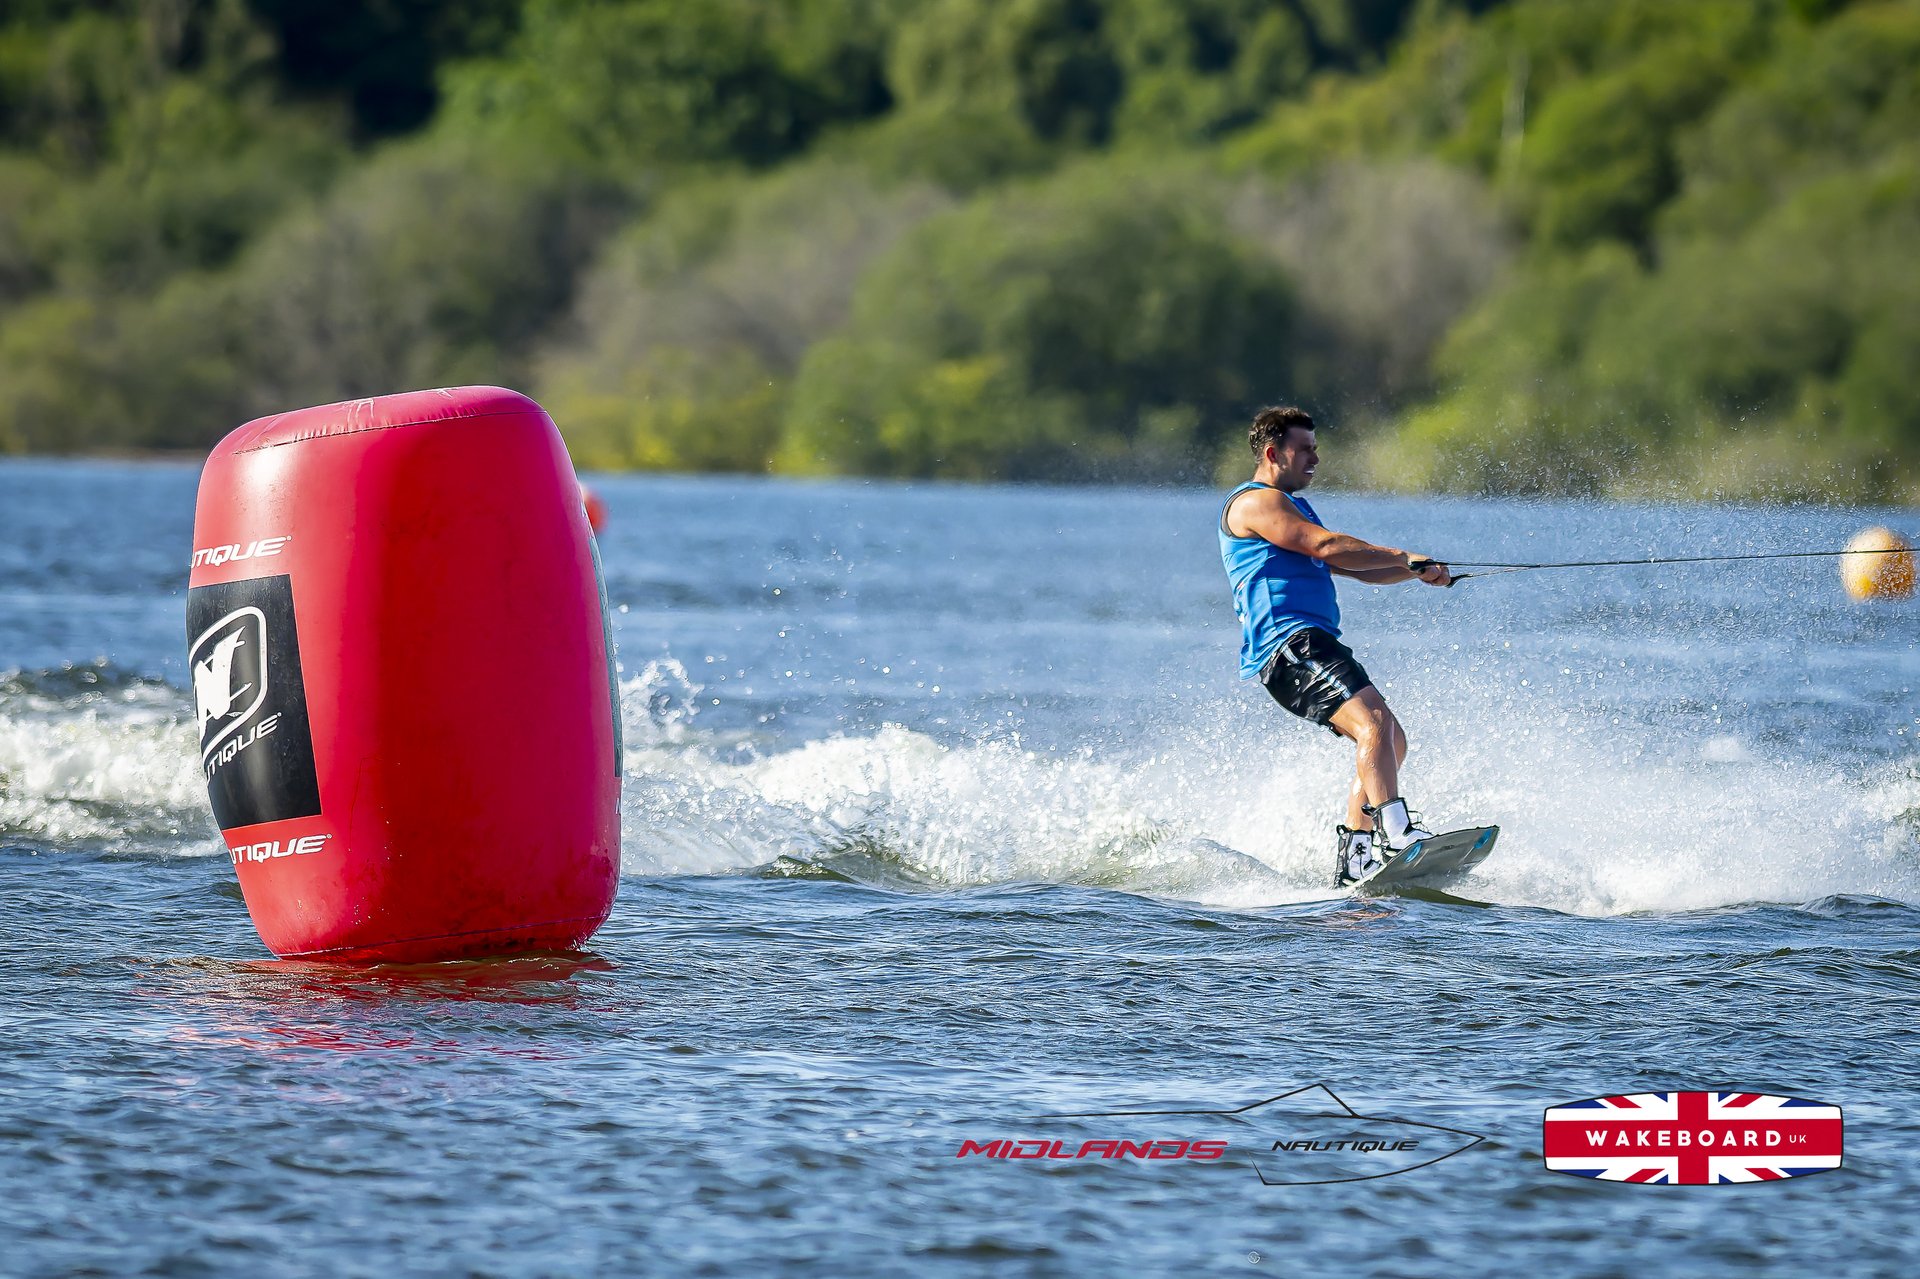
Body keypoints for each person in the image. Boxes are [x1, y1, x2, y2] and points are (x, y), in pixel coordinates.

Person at [1218, 406, 1453, 886]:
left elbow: (1348, 565)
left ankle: (1356, 857)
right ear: (1272, 453)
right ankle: (1398, 831)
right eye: (1304, 449)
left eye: (1315, 449)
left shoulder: (1292, 508)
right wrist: (1403, 555)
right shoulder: (1254, 504)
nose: (1315, 459)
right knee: (1375, 725)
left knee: (1391, 739)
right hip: (1290, 645)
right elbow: (1326, 547)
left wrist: (1415, 571)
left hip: (1312, 643)